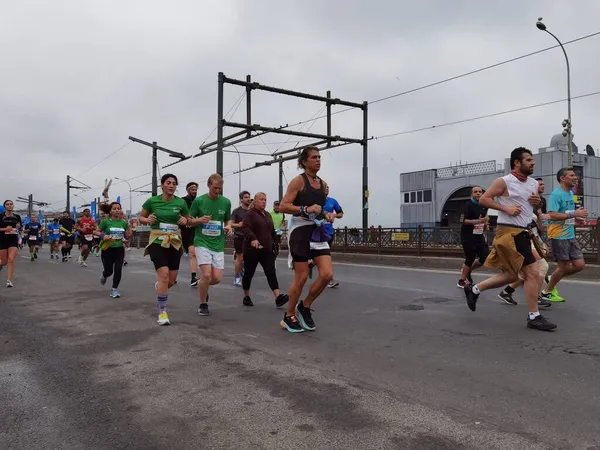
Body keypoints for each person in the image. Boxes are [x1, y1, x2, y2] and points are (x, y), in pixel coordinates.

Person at [463, 147, 556, 331]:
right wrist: (506, 209)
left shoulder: (532, 184)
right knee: (533, 273)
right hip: (508, 234)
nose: (532, 163)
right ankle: (533, 316)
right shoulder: (504, 181)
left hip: (524, 232)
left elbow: (534, 207)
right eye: (528, 160)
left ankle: (474, 290)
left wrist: (537, 208)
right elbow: (485, 199)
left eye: (532, 160)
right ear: (517, 162)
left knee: (513, 275)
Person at [279, 146, 335, 333]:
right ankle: (288, 316)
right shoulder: (298, 181)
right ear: (304, 162)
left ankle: (305, 307)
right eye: (314, 157)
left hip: (316, 231)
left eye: (319, 157)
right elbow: (283, 206)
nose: (318, 160)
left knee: (327, 274)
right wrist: (305, 209)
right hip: (300, 231)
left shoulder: (323, 184)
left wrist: (326, 214)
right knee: (302, 277)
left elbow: (319, 208)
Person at [139, 174, 190, 326]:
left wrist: (185, 220)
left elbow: (189, 219)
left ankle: (161, 285)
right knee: (164, 275)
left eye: (174, 183)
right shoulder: (152, 201)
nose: (171, 186)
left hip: (174, 241)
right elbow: (141, 217)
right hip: (157, 240)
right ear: (162, 185)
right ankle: (162, 312)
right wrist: (147, 220)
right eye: (168, 183)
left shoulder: (180, 202)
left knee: (172, 280)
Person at [540, 167, 588, 302]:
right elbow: (552, 214)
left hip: (570, 234)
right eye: (572, 175)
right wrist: (574, 214)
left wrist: (577, 219)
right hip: (558, 235)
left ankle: (552, 277)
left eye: (575, 175)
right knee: (564, 266)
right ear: (562, 178)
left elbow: (566, 214)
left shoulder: (570, 193)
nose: (575, 177)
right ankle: (547, 292)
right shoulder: (556, 194)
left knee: (579, 265)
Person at [188, 173, 233, 316]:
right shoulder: (199, 201)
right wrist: (200, 220)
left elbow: (228, 220)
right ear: (208, 186)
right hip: (202, 242)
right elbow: (189, 220)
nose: (217, 191)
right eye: (215, 188)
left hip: (218, 244)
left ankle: (203, 286)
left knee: (217, 278)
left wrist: (229, 227)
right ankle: (203, 304)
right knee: (206, 275)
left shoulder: (226, 202)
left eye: (220, 188)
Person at [241, 192, 289, 307]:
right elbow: (246, 228)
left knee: (271, 272)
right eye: (261, 199)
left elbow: (271, 231)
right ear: (255, 201)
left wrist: (276, 244)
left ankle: (278, 297)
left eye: (265, 200)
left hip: (266, 250)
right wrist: (253, 239)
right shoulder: (250, 214)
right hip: (252, 250)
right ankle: (246, 296)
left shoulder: (267, 215)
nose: (264, 201)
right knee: (248, 273)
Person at [97, 202, 132, 298]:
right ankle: (104, 274)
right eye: (114, 209)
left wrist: (127, 236)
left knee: (118, 269)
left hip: (119, 249)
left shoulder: (123, 223)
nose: (116, 210)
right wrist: (103, 235)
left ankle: (114, 289)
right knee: (109, 271)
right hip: (107, 249)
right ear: (110, 211)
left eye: (118, 208)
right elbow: (96, 231)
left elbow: (126, 236)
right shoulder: (106, 222)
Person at [457, 186, 489, 288]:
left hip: (479, 235)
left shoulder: (483, 206)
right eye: (475, 192)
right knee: (470, 258)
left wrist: (485, 225)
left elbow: (483, 220)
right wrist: (477, 221)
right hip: (468, 236)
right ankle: (461, 281)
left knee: (485, 257)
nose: (478, 193)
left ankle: (468, 270)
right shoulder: (467, 205)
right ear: (471, 194)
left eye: (480, 192)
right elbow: (462, 221)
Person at [323, 185, 343, 288]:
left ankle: (329, 279)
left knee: (326, 256)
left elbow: (341, 213)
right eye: (325, 187)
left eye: (328, 188)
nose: (327, 189)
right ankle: (329, 279)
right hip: (316, 232)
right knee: (324, 256)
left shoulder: (333, 201)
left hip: (329, 232)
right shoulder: (314, 201)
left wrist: (334, 215)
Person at [180, 182, 199, 287]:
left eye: (196, 190)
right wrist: (184, 221)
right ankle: (171, 272)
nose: (194, 191)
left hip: (194, 230)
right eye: (192, 189)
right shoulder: (182, 201)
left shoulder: (199, 201)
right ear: (187, 190)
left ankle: (193, 277)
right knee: (176, 253)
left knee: (193, 253)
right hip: (183, 230)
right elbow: (177, 214)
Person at [231, 190, 252, 287]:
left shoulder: (252, 211)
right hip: (239, 236)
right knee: (240, 258)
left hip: (249, 237)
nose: (248, 199)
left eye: (249, 197)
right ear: (241, 199)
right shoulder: (236, 211)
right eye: (246, 197)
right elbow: (231, 224)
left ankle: (243, 268)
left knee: (248, 258)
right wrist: (238, 224)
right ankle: (237, 277)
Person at [0, 200, 22, 287]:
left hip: (13, 240)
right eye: (7, 204)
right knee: (4, 262)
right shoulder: (0, 216)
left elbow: (19, 227)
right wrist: (5, 229)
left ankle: (9, 280)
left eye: (11, 204)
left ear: (13, 206)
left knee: (11, 258)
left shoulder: (17, 216)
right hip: (2, 240)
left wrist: (19, 227)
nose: (9, 205)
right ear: (4, 206)